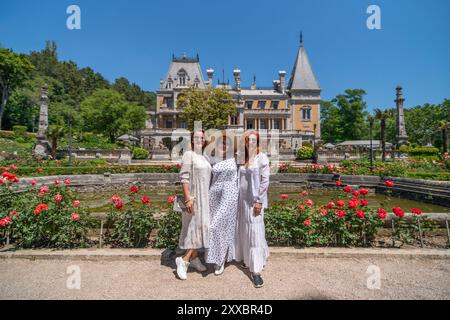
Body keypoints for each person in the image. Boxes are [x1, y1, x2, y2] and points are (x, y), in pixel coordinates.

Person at [234, 131, 270, 288]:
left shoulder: (262, 158)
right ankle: (247, 260)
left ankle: (256, 271)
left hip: (254, 201)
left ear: (258, 142)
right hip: (242, 201)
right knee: (243, 231)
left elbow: (265, 181)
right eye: (248, 140)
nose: (251, 143)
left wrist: (259, 201)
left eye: (254, 140)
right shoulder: (243, 158)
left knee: (254, 232)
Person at [175, 130, 212, 280]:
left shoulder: (204, 156)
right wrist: (188, 198)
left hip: (205, 198)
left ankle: (195, 258)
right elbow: (184, 178)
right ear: (191, 140)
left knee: (201, 228)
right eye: (196, 137)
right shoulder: (188, 155)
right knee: (195, 228)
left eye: (202, 138)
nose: (199, 139)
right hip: (195, 198)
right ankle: (184, 260)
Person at [205, 133, 239, 276]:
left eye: (226, 143)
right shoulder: (213, 158)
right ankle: (218, 256)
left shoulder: (237, 157)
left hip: (229, 194)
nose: (223, 145)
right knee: (214, 225)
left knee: (217, 225)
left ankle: (220, 259)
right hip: (214, 193)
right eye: (221, 143)